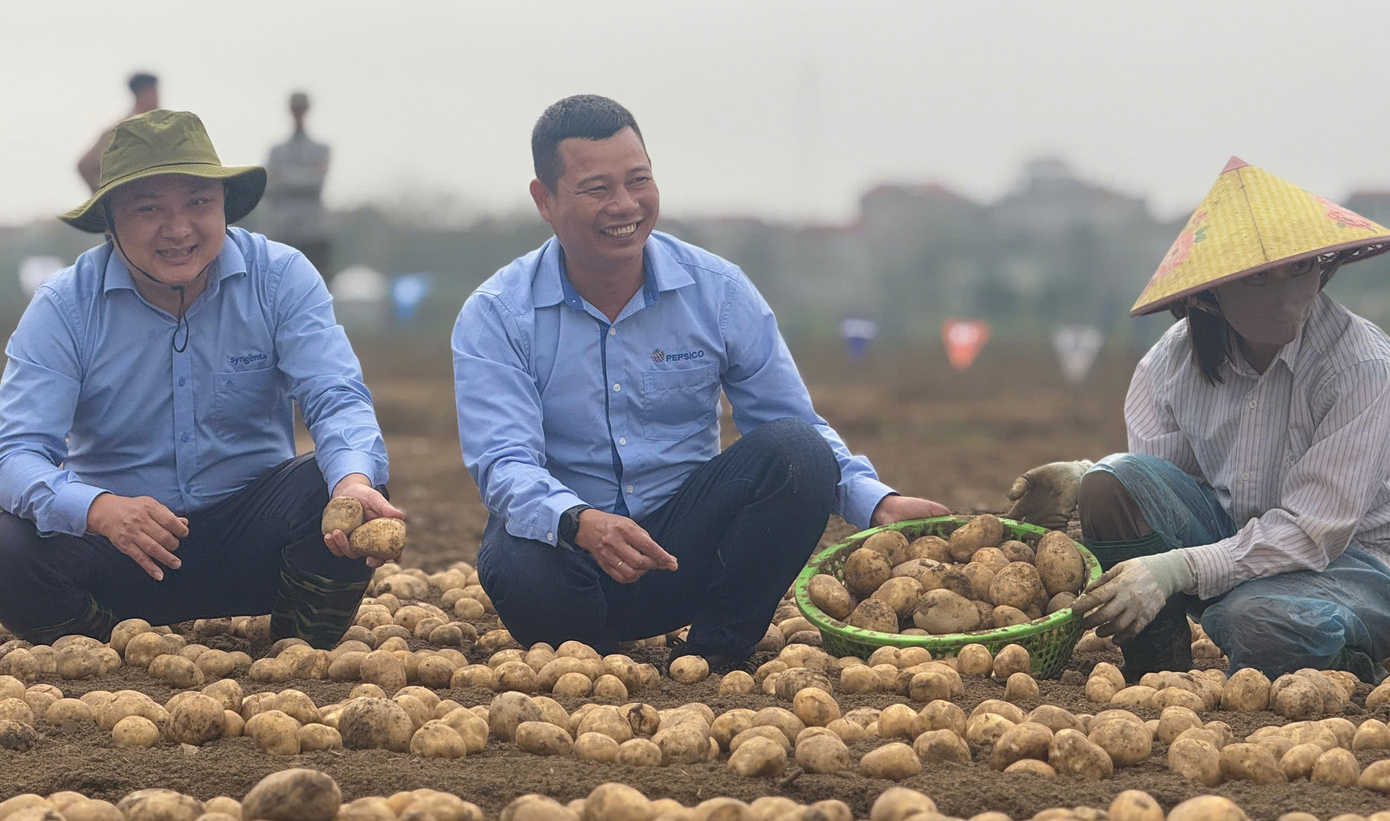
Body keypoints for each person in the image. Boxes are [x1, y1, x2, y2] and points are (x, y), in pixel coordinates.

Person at [451, 94, 948, 669]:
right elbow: (504, 463)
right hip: (573, 560)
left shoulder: (718, 290)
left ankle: (718, 654)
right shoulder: (497, 313)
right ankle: (591, 662)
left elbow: (790, 423)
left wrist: (875, 502)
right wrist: (579, 521)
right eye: (597, 189)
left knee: (796, 452)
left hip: (681, 554)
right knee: (517, 556)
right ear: (545, 199)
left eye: (639, 180)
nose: (625, 205)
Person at [0, 109, 401, 648]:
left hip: (253, 539)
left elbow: (336, 397)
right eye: (149, 208)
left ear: (224, 207)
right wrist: (98, 509)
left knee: (342, 484)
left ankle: (299, 654)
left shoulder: (281, 277)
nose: (179, 229)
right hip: (121, 548)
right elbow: (15, 452)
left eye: (198, 203)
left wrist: (354, 482)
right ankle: (108, 647)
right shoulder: (65, 305)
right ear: (110, 220)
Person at [1008, 157, 1390, 682]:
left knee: (1253, 619)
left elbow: (1312, 532)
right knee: (1111, 481)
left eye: (1298, 268)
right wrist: (1089, 479)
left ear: (1323, 268)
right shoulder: (1170, 365)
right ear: (1211, 292)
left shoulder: (1358, 366)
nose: (1285, 290)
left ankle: (1351, 660)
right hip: (1233, 545)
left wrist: (1179, 568)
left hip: (1351, 567)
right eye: (1260, 276)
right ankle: (1158, 664)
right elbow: (1161, 491)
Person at [260, 91, 333, 276]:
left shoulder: (321, 149)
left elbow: (317, 183)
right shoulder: (276, 151)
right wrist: (306, 174)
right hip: (282, 231)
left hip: (313, 233)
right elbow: (269, 187)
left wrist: (284, 175)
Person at [77, 72, 160, 193]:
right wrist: (109, 195)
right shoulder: (123, 129)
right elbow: (85, 165)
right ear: (146, 93)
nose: (158, 97)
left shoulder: (161, 125)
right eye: (155, 92)